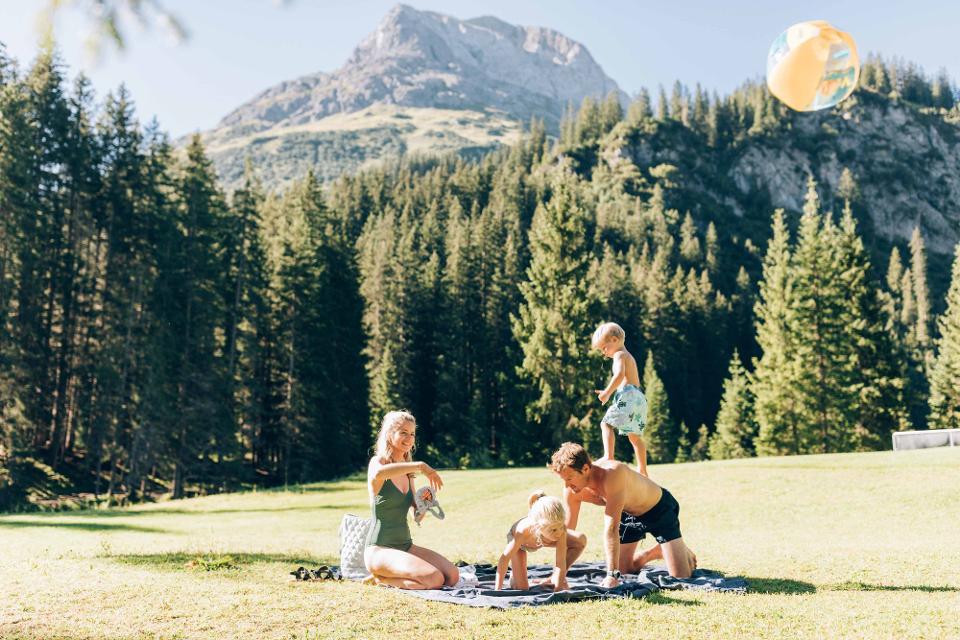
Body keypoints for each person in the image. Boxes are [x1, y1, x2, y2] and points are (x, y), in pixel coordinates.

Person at [550, 442, 697, 588]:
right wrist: (557, 574)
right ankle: (653, 552)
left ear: (586, 468)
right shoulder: (571, 491)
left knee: (681, 578)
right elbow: (567, 535)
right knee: (626, 570)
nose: (567, 485)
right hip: (627, 513)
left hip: (658, 510)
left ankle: (679, 550)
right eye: (563, 480)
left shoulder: (613, 473)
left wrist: (612, 575)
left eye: (569, 478)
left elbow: (611, 528)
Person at [363, 410, 459, 589]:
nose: (409, 438)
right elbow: (378, 474)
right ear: (390, 435)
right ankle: (380, 579)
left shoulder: (407, 473)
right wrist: (421, 466)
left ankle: (386, 576)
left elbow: (416, 515)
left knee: (452, 575)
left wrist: (424, 505)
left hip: (405, 545)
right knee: (434, 579)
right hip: (379, 550)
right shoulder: (378, 463)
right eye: (403, 432)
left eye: (412, 434)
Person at [494, 490, 587, 591]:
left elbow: (560, 563)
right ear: (538, 526)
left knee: (579, 539)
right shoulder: (522, 531)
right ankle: (514, 575)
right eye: (554, 529)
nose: (559, 532)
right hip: (521, 545)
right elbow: (504, 559)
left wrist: (558, 589)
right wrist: (497, 589)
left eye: (561, 526)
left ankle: (553, 578)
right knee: (522, 589)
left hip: (543, 537)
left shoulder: (559, 530)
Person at [592, 322, 649, 476]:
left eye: (604, 347)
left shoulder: (619, 355)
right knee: (635, 438)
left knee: (606, 424)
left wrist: (607, 393)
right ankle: (643, 469)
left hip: (628, 395)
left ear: (615, 340)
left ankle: (608, 456)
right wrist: (609, 390)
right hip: (639, 398)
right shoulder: (628, 356)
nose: (604, 352)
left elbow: (618, 375)